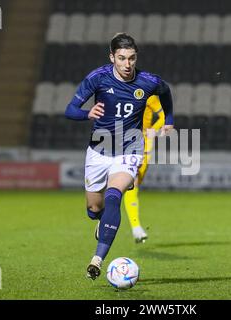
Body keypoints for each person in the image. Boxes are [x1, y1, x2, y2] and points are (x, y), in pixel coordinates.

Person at [65, 33, 174, 280]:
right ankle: (100, 223)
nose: (128, 64)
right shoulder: (98, 78)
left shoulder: (148, 81)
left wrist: (169, 120)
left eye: (132, 58)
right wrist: (87, 114)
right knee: (94, 209)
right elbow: (69, 110)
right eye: (122, 58)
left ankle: (97, 259)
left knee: (114, 197)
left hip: (130, 150)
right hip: (98, 151)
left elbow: (166, 93)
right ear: (112, 57)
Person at [123, 95, 164, 243]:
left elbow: (163, 116)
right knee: (130, 184)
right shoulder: (122, 93)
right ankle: (135, 227)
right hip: (125, 141)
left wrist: (152, 130)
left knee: (133, 186)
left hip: (145, 144)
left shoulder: (150, 97)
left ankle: (135, 227)